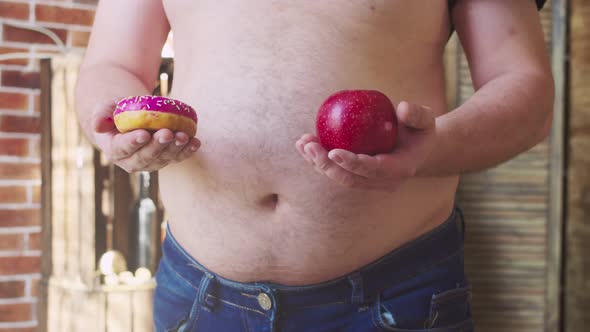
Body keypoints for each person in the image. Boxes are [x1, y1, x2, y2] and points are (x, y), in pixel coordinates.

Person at [75, 0, 553, 331]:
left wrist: (433, 148)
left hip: (396, 298)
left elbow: (525, 86)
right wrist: (113, 126)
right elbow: (110, 63)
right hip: (201, 299)